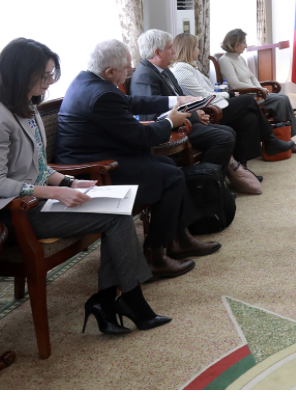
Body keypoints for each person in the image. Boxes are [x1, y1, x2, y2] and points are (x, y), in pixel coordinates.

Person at [1, 38, 171, 335]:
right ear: (21, 73)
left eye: (52, 74)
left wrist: (69, 181)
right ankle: (124, 302)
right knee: (115, 217)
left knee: (117, 208)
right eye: (44, 75)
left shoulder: (27, 107)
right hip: (16, 212)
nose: (49, 82)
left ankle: (109, 301)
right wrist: (53, 191)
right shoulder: (2, 116)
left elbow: (39, 167)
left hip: (41, 200)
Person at [57, 39, 221, 279]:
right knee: (170, 176)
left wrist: (177, 100)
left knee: (168, 166)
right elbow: (142, 138)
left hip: (101, 156)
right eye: (126, 68)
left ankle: (179, 239)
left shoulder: (88, 81)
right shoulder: (101, 94)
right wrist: (169, 122)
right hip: (93, 170)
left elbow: (131, 102)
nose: (129, 72)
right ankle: (156, 255)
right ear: (110, 71)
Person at [170, 32, 294, 172]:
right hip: (207, 111)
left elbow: (207, 92)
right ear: (189, 50)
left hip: (212, 104)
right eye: (196, 47)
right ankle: (271, 141)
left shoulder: (190, 67)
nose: (198, 50)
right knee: (248, 100)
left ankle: (242, 167)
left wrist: (227, 94)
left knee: (249, 118)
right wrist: (227, 94)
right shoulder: (182, 69)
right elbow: (203, 96)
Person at [131, 29, 248, 174]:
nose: (174, 51)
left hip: (181, 122)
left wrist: (197, 111)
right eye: (170, 48)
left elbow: (181, 99)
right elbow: (153, 116)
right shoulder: (145, 76)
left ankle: (216, 179)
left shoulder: (164, 70)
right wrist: (193, 116)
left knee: (229, 131)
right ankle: (202, 181)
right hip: (170, 129)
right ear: (157, 53)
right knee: (224, 137)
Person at [218, 28, 296, 151]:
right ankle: (283, 141)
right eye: (243, 43)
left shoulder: (240, 58)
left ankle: (286, 138)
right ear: (235, 44)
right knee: (281, 100)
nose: (246, 45)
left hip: (255, 93)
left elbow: (252, 76)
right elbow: (235, 84)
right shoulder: (225, 60)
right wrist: (258, 90)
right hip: (245, 96)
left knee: (284, 98)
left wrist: (260, 88)